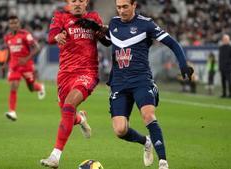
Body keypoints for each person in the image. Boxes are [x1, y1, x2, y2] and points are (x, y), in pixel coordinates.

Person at [76, 0, 193, 168]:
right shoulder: (114, 23)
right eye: (119, 7)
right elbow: (108, 41)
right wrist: (94, 28)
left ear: (134, 5)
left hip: (141, 80)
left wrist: (183, 64)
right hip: (119, 83)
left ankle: (163, 162)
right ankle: (146, 142)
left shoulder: (147, 25)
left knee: (148, 115)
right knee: (120, 130)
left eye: (125, 7)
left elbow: (173, 43)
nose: (121, 10)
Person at [40, 0, 106, 168]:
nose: (77, 4)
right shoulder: (60, 17)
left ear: (87, 2)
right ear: (68, 2)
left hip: (87, 72)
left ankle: (55, 156)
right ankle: (81, 118)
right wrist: (57, 36)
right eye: (73, 0)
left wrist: (99, 29)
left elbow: (107, 40)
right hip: (65, 75)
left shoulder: (93, 17)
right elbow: (50, 37)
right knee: (67, 113)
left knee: (69, 104)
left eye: (81, 0)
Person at [3, 15, 45, 121]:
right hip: (14, 66)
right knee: (13, 86)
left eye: (15, 23)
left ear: (19, 24)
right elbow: (9, 51)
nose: (14, 25)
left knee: (31, 88)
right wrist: (5, 63)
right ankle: (12, 112)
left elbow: (37, 48)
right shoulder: (7, 37)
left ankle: (40, 87)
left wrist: (26, 59)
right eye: (12, 23)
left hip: (26, 65)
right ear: (9, 25)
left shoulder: (25, 35)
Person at [219, 34, 231, 98]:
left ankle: (230, 94)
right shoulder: (221, 48)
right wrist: (220, 66)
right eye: (224, 39)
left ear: (229, 40)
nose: (225, 40)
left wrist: (228, 62)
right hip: (222, 68)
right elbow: (220, 58)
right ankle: (224, 93)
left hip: (228, 68)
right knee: (223, 81)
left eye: (226, 39)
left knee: (229, 81)